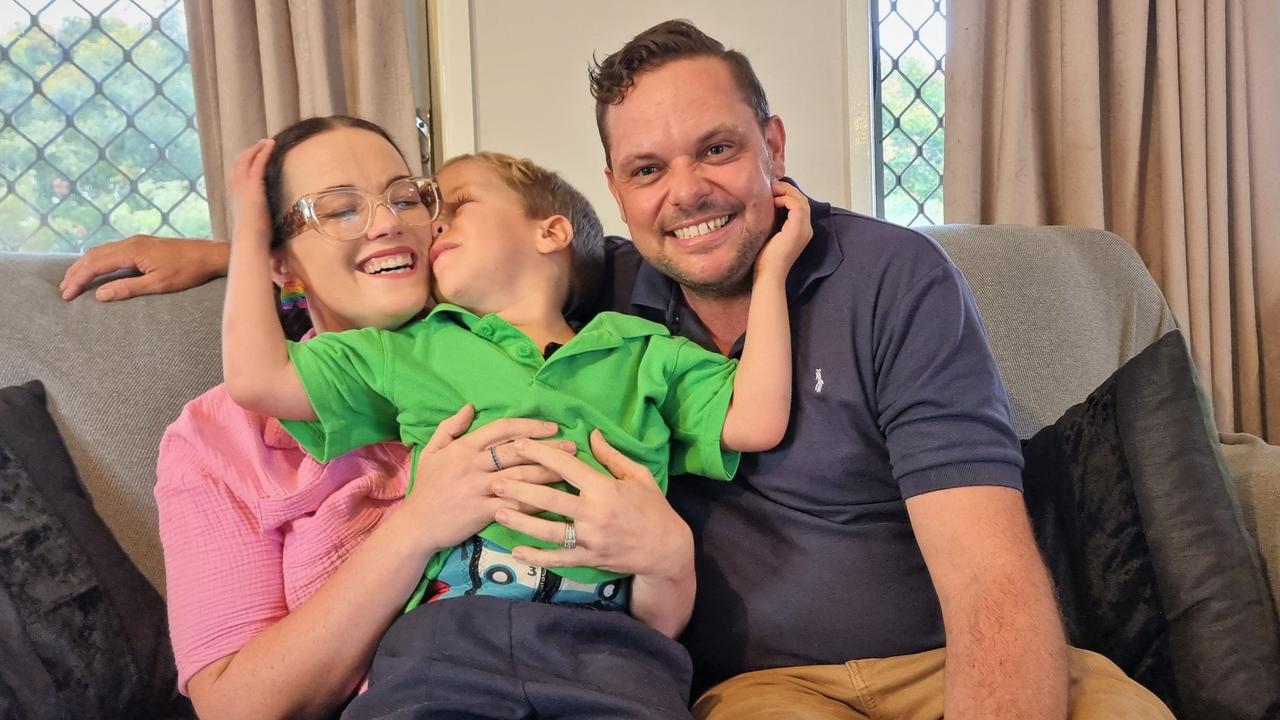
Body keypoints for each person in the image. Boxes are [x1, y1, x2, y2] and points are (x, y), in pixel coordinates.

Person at [68, 20, 1174, 720]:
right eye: (646, 168)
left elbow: (982, 568)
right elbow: (399, 276)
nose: (683, 192)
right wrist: (240, 257)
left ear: (773, 144)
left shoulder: (687, 303)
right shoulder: (575, 293)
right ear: (614, 185)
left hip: (804, 665)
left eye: (718, 150)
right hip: (662, 685)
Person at [223, 137, 810, 614]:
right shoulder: (409, 349)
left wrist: (771, 275)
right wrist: (248, 238)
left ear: (550, 233)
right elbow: (257, 379)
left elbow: (756, 422)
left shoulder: (641, 350)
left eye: (455, 209)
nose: (430, 228)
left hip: (605, 647)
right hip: (452, 638)